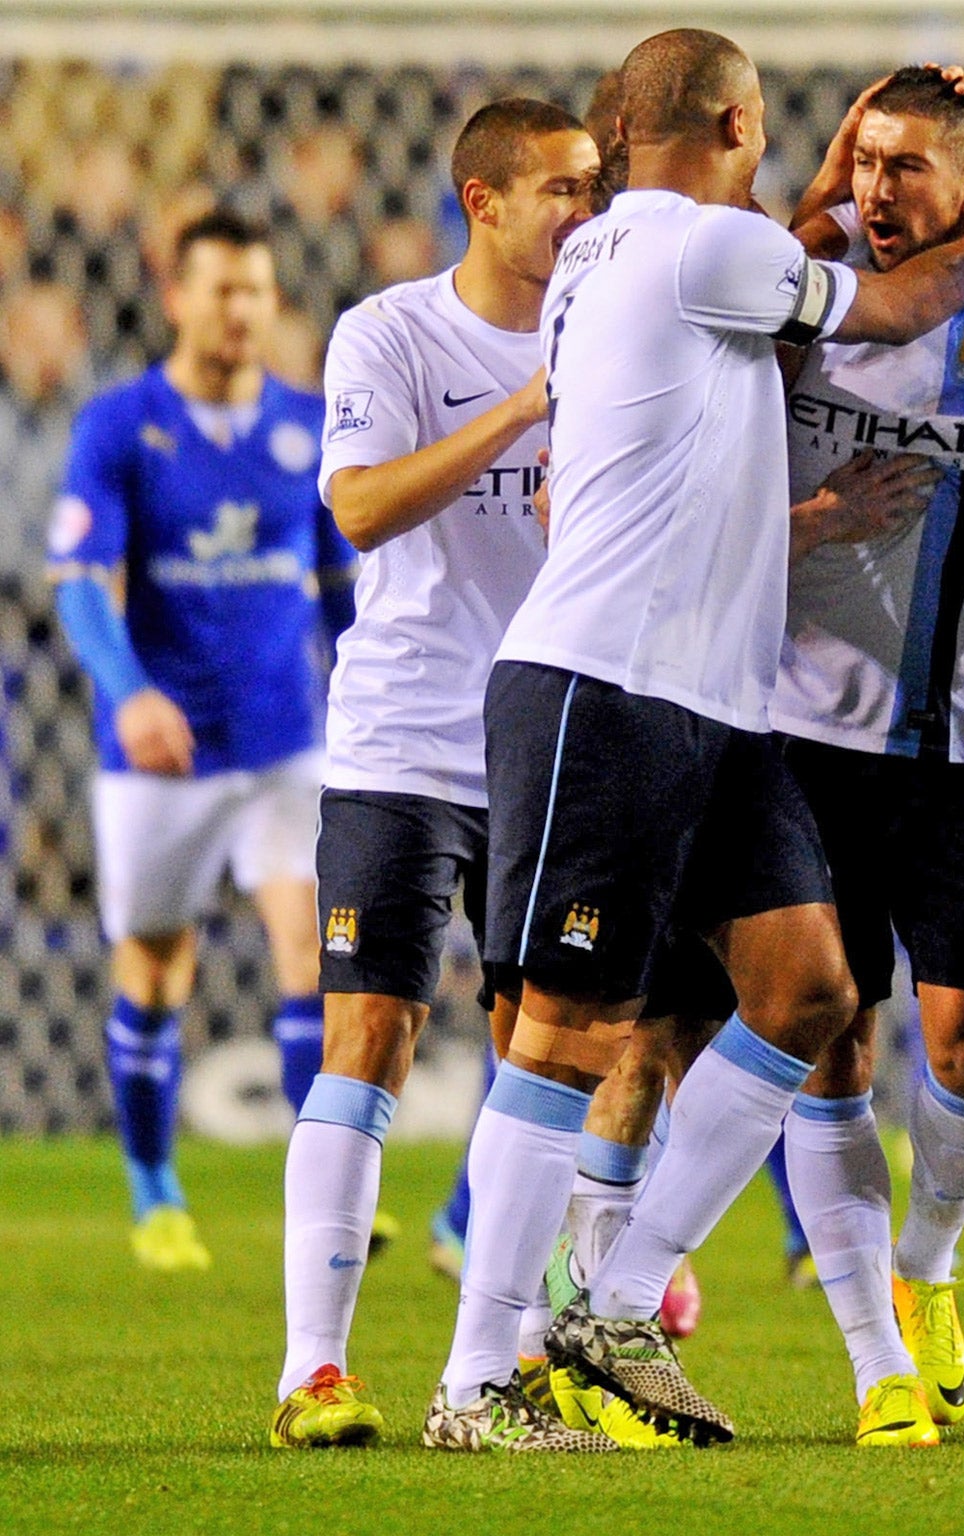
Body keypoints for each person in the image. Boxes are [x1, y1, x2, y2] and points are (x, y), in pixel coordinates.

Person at [433, 27, 964, 1453]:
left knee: (808, 988)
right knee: (571, 1033)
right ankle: (475, 1384)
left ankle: (614, 1304)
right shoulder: (704, 252)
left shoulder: (624, 251)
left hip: (718, 706)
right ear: (741, 119)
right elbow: (895, 304)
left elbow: (783, 261)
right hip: (606, 686)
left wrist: (804, 184)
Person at [268, 99, 603, 1451]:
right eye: (563, 189)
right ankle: (314, 1372)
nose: (585, 212)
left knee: (554, 1048)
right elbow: (356, 507)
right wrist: (529, 408)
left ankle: (507, 1363)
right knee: (372, 1038)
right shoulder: (393, 333)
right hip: (405, 741)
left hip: (556, 740)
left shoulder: (617, 332)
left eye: (598, 186)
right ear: (485, 198)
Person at [770, 64, 964, 1436]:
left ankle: (928, 1266)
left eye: (910, 168)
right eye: (863, 163)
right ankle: (879, 1361)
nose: (878, 193)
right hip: (800, 731)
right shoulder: (793, 296)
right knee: (822, 1032)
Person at [47, 209, 356, 1272]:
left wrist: (366, 694)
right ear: (176, 298)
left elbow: (339, 590)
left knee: (311, 949)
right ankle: (155, 1190)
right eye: (219, 289)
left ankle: (322, 1193)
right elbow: (81, 582)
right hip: (161, 751)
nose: (239, 310)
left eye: (255, 290)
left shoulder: (307, 427)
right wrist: (129, 691)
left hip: (282, 736)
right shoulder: (121, 426)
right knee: (155, 968)